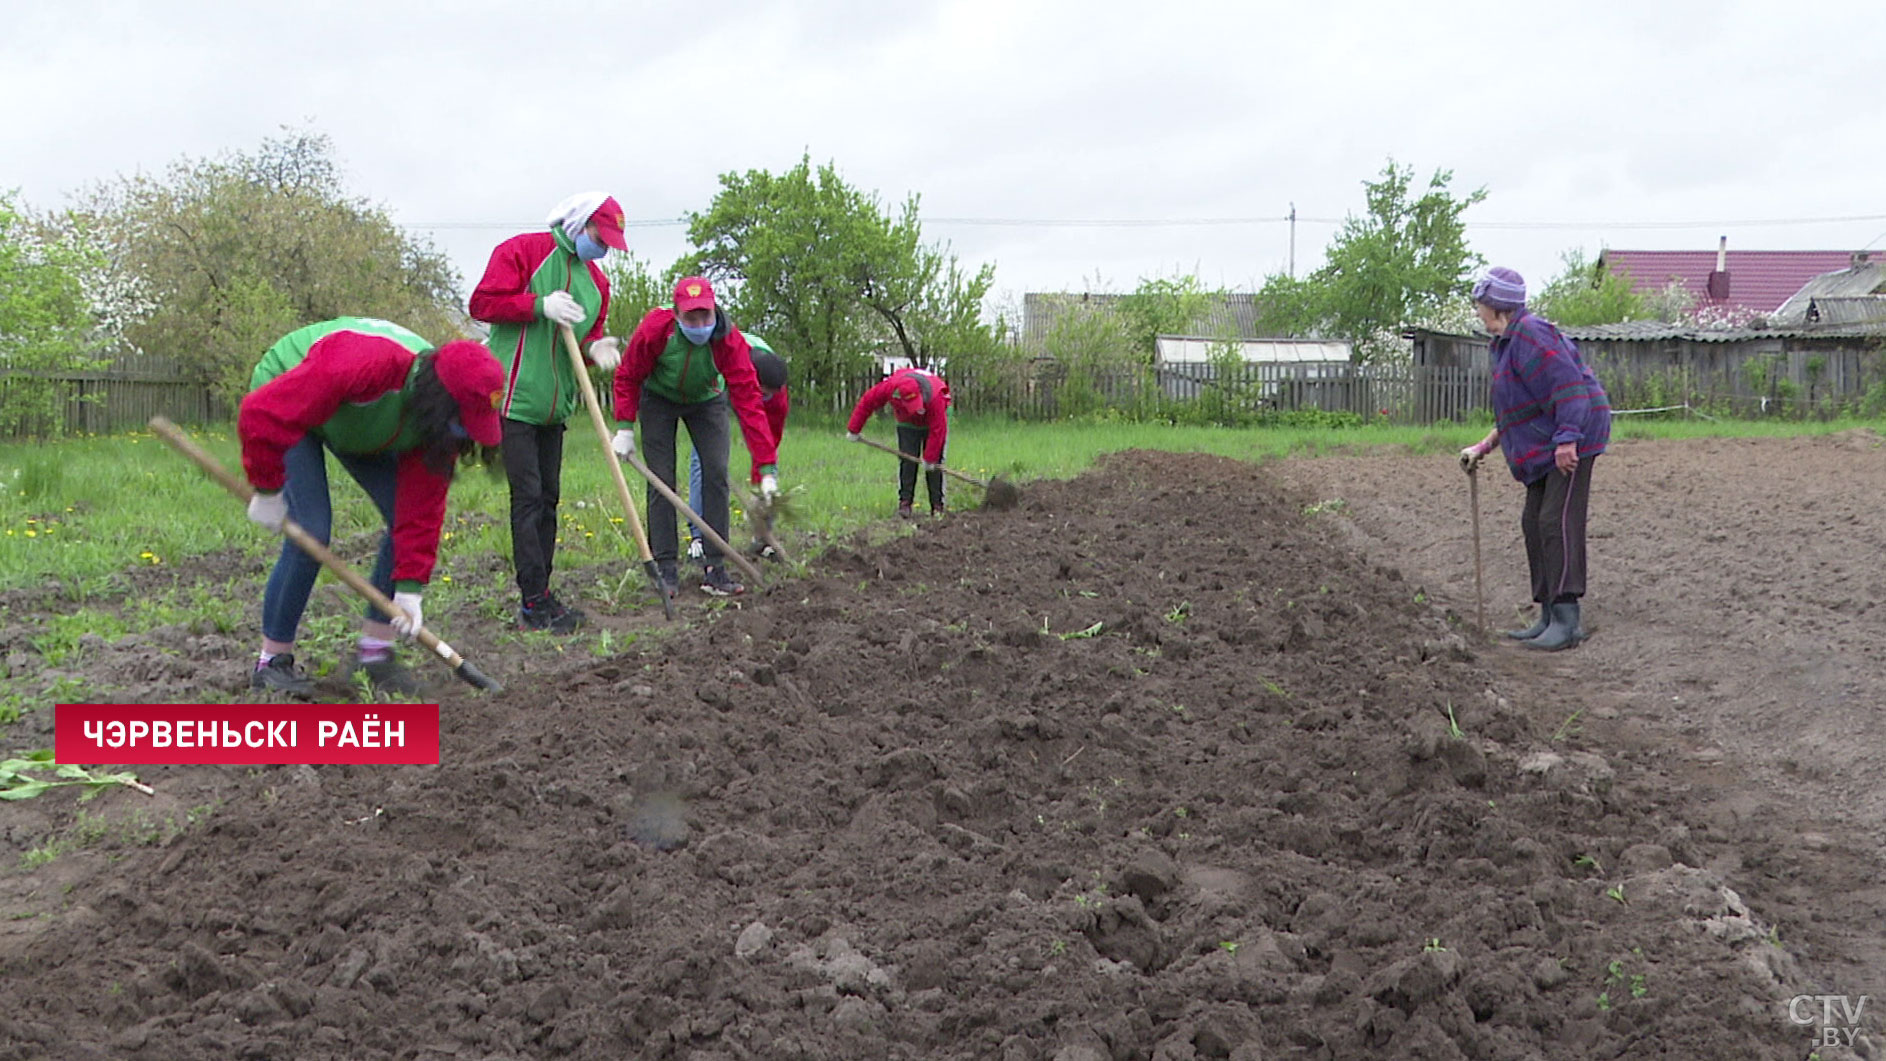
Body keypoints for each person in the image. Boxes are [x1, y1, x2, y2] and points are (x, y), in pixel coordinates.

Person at [238, 318, 506, 697]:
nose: (462, 433)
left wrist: (410, 589)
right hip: (293, 391)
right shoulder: (364, 364)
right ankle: (272, 662)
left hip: (356, 420)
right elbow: (261, 412)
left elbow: (420, 510)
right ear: (441, 402)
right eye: (462, 422)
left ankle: (375, 653)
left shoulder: (437, 424)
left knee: (401, 520)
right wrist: (266, 488)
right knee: (311, 530)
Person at [468, 191, 627, 633]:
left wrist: (597, 347)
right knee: (529, 498)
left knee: (550, 500)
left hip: (556, 409)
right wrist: (537, 305)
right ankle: (533, 601)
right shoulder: (524, 251)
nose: (604, 248)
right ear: (579, 225)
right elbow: (481, 305)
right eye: (601, 236)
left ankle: (544, 593)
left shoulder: (598, 283)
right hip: (514, 399)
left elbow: (584, 340)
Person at [1458, 267, 1612, 652]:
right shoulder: (1507, 343)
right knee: (1533, 521)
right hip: (1549, 438)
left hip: (1574, 434)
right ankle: (1546, 614)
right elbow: (1518, 410)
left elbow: (1569, 388)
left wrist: (1567, 440)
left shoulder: (1533, 334)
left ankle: (1567, 620)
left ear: (1497, 306)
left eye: (1480, 305)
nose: (1478, 312)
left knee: (1555, 520)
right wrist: (1485, 445)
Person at [611, 276, 780, 598]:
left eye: (706, 315)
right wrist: (624, 426)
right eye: (691, 317)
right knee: (661, 479)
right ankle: (666, 568)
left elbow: (749, 403)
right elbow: (628, 374)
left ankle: (715, 568)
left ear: (715, 311)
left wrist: (767, 468)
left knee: (715, 472)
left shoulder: (728, 340)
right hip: (658, 399)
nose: (700, 323)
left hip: (706, 400)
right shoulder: (656, 328)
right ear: (676, 314)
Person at [687, 335, 789, 562]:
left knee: (769, 466)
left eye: (770, 394)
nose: (767, 397)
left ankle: (762, 538)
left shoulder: (776, 395)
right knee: (702, 457)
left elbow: (769, 440)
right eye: (763, 392)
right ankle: (698, 538)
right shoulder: (723, 363)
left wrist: (764, 480)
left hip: (744, 370)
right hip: (715, 387)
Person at [846, 366, 951, 517]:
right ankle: (905, 503)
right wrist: (854, 429)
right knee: (907, 460)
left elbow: (938, 430)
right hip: (906, 422)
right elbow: (867, 402)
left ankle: (937, 506)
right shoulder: (889, 387)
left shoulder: (935, 397)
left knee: (935, 466)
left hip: (932, 422)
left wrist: (930, 458)